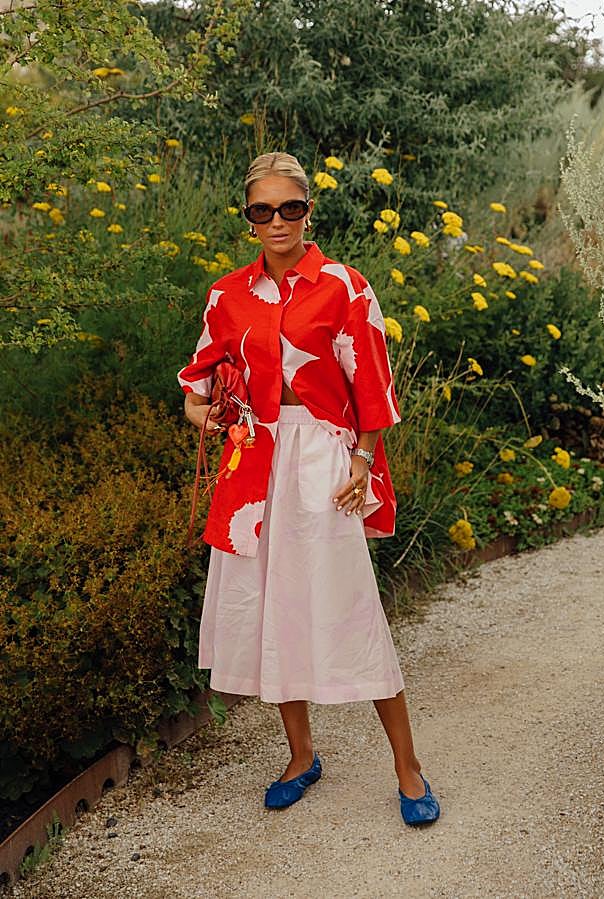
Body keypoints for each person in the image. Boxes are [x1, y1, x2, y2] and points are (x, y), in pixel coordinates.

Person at [177, 151, 440, 825]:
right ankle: (301, 757)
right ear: (249, 219)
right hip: (253, 466)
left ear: (307, 211)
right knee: (273, 610)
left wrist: (362, 458)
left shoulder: (345, 286)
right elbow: (195, 387)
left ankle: (408, 767)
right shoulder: (226, 296)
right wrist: (210, 415)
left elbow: (373, 384)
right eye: (261, 210)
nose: (276, 221)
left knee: (355, 608)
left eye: (289, 207)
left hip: (324, 460)